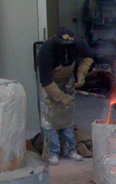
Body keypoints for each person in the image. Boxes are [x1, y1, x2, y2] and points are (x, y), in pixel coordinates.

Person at [37, 27, 93, 165]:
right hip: (50, 83)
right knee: (49, 120)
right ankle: (52, 152)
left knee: (67, 118)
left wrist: (81, 74)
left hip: (67, 80)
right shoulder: (46, 51)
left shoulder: (78, 43)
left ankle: (70, 149)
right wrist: (61, 98)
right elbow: (45, 81)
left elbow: (89, 56)